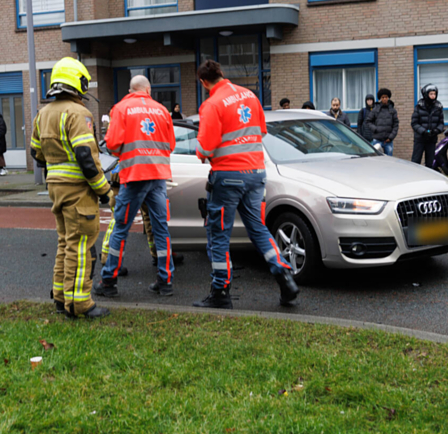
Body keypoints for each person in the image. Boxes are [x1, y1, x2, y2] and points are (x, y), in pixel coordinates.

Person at [192, 59, 298, 309]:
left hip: (227, 176)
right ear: (222, 73)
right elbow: (261, 132)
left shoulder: (212, 104)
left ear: (204, 82)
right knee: (258, 229)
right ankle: (284, 275)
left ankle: (220, 292)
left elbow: (204, 148)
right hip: (256, 173)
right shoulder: (250, 96)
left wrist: (203, 151)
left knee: (218, 234)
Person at [29, 57, 112, 319]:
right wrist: (104, 191)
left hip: (55, 188)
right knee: (81, 247)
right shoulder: (78, 113)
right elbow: (86, 158)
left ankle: (60, 296)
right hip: (78, 191)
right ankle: (79, 304)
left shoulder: (43, 113)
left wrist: (56, 164)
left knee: (65, 243)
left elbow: (35, 152)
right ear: (78, 83)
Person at [97, 75, 176, 298]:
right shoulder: (162, 110)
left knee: (121, 228)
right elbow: (170, 144)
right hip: (158, 176)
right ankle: (165, 281)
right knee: (161, 229)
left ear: (131, 91)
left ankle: (108, 281)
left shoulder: (121, 108)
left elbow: (112, 144)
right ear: (148, 90)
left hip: (134, 176)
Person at [411, 84, 444, 168]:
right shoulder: (419, 107)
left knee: (430, 163)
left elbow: (441, 123)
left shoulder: (438, 107)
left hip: (432, 139)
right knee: (415, 161)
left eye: (434, 94)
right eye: (431, 94)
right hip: (420, 139)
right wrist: (423, 131)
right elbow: (414, 123)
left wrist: (436, 130)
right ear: (426, 95)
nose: (433, 96)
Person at [365, 88, 398, 156]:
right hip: (377, 139)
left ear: (388, 98)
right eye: (383, 97)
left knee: (389, 159)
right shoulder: (375, 109)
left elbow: (396, 125)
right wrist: (375, 129)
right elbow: (368, 121)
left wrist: (391, 137)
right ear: (380, 98)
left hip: (388, 140)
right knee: (377, 159)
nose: (384, 99)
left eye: (386, 97)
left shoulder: (393, 110)